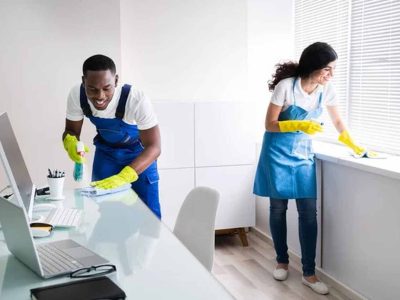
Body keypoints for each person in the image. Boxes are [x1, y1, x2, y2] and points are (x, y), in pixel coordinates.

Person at [253, 42, 368, 295]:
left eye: (333, 70)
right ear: (313, 67)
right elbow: (269, 124)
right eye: (327, 69)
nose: (331, 75)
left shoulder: (326, 90)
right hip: (277, 152)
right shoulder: (286, 87)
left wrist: (352, 142)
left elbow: (337, 120)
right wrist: (299, 125)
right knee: (278, 208)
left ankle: (309, 273)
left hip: (303, 155)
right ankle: (282, 261)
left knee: (308, 212)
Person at [62, 54, 161, 218]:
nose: (100, 96)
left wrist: (125, 176)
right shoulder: (77, 95)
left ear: (115, 80)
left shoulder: (135, 99)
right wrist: (71, 143)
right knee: (107, 212)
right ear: (83, 81)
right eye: (92, 89)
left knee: (149, 215)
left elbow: (154, 147)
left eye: (106, 88)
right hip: (106, 154)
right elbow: (71, 131)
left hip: (140, 153)